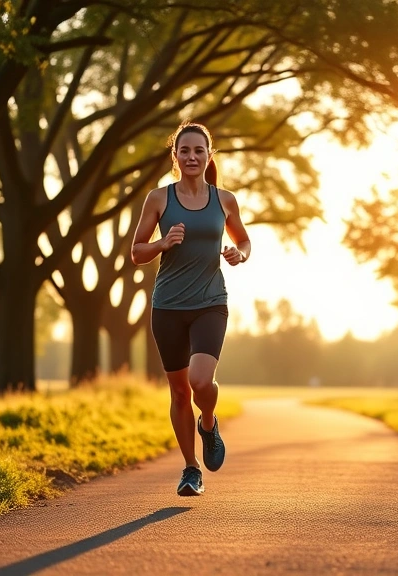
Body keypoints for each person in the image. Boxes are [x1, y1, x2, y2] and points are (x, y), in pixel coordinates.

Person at [130, 121, 251, 496]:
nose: (192, 156)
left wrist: (238, 254)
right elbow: (137, 252)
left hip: (211, 302)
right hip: (168, 306)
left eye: (199, 150)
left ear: (209, 155)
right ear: (175, 156)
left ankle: (209, 423)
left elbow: (244, 240)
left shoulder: (224, 200)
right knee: (180, 393)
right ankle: (190, 468)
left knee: (200, 381)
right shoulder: (159, 199)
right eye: (185, 150)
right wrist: (163, 242)